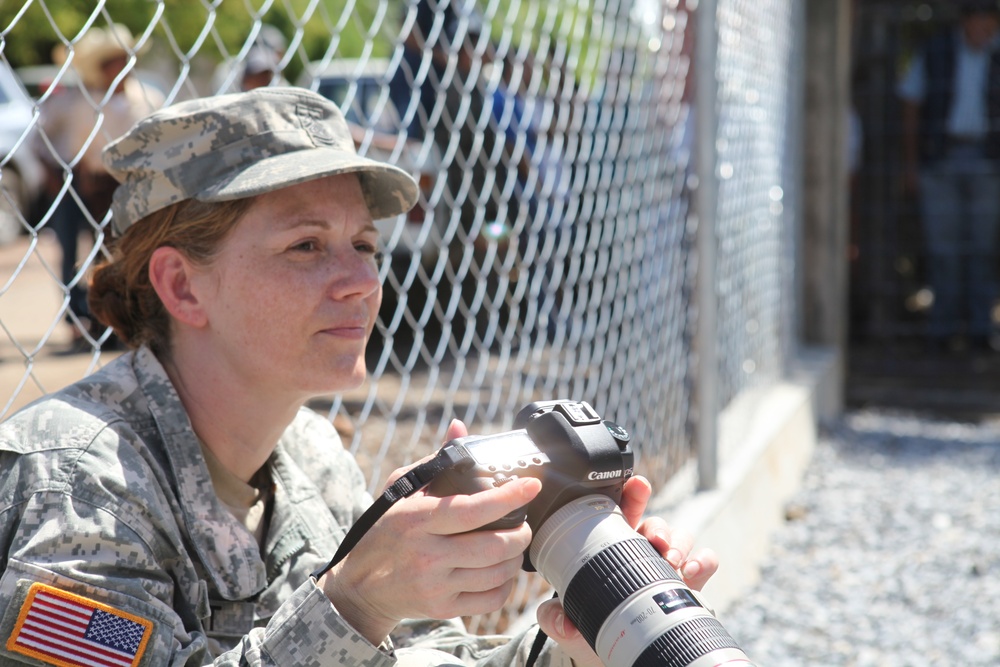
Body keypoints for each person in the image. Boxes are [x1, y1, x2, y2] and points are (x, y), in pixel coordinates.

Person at [0, 87, 718, 664]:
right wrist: (354, 604)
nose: (360, 281)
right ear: (183, 287)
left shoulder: (309, 453)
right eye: (306, 244)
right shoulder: (76, 480)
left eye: (366, 243)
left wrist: (590, 641)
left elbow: (418, 657)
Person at [37, 23, 164, 351]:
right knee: (75, 254)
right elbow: (52, 141)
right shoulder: (81, 102)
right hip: (83, 184)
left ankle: (122, 320)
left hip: (126, 187)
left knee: (122, 253)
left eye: (124, 59)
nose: (120, 68)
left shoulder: (149, 99)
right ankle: (83, 320)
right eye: (113, 61)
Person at [898, 0, 1000, 349]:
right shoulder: (934, 51)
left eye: (992, 25)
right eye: (981, 23)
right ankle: (941, 331)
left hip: (987, 163)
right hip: (940, 161)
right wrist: (912, 164)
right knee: (944, 251)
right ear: (966, 21)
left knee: (982, 250)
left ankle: (980, 331)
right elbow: (911, 104)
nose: (985, 31)